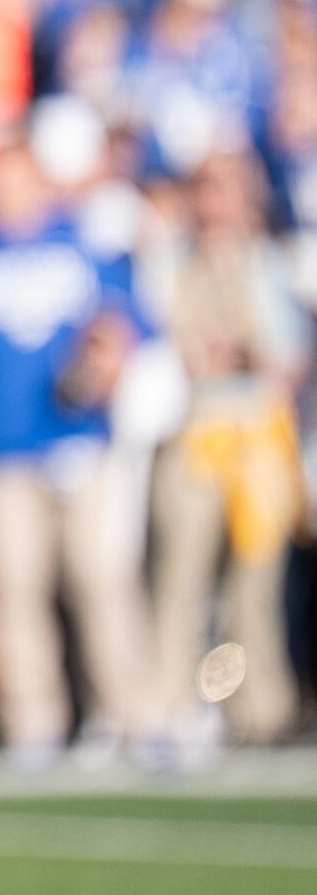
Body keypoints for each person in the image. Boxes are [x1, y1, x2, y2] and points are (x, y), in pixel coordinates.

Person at [0, 140, 151, 759]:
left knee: (103, 578)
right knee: (13, 590)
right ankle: (34, 722)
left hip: (80, 443)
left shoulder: (82, 251)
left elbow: (128, 326)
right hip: (6, 455)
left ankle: (127, 712)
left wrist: (109, 354)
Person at [148, 148, 307, 748]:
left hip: (257, 435)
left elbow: (283, 358)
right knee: (182, 576)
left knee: (255, 586)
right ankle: (165, 704)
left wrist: (236, 350)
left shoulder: (268, 261)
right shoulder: (174, 259)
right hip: (198, 430)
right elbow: (180, 349)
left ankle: (262, 708)